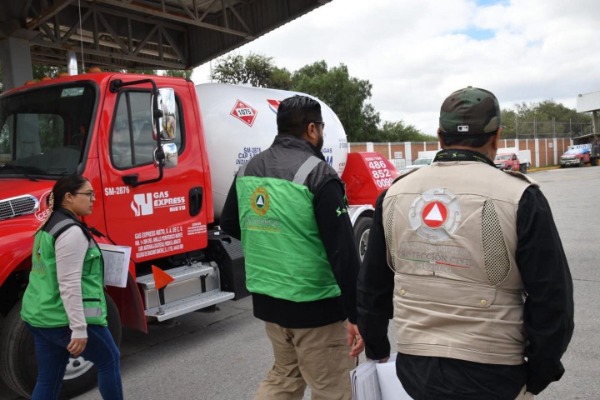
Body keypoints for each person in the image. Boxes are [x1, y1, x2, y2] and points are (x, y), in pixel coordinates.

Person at [357, 86, 574, 399]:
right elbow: (552, 300)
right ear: (496, 137)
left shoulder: (394, 195)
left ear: (440, 137)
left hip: (416, 370)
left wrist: (377, 347)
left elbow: (372, 286)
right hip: (494, 371)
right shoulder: (520, 196)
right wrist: (538, 373)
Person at [220, 95, 364, 399]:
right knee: (332, 388)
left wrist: (272, 240)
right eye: (321, 128)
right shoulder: (320, 174)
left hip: (269, 300)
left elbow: (231, 223)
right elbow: (343, 252)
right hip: (316, 306)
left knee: (284, 376)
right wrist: (357, 314)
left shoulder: (248, 169)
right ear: (312, 129)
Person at [21, 174, 123, 400]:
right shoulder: (71, 232)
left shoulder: (49, 224)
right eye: (88, 194)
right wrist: (78, 329)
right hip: (63, 319)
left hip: (40, 315)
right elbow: (69, 284)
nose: (93, 199)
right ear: (69, 197)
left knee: (48, 379)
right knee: (109, 360)